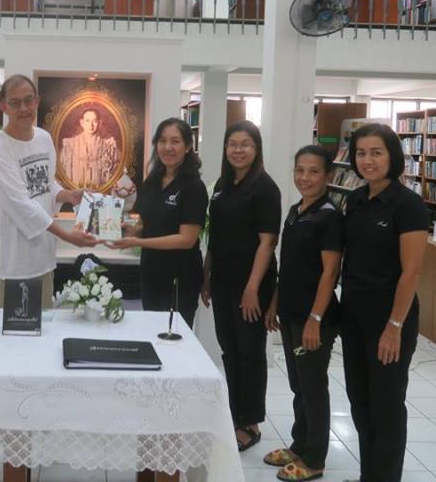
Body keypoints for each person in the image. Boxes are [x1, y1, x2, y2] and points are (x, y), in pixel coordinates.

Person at [340, 123, 429, 482]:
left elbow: (412, 272)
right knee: (360, 403)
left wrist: (394, 327)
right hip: (354, 316)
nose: (368, 160)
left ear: (392, 156)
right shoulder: (355, 200)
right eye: (361, 153)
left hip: (390, 319)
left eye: (376, 152)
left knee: (386, 407)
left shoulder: (408, 205)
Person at [0, 74, 96, 330]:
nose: (23, 108)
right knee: (3, 333)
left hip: (39, 252)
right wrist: (67, 236)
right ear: (4, 107)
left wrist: (67, 195)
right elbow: (19, 203)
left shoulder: (43, 138)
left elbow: (45, 184)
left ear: (37, 101)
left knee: (40, 328)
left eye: (28, 100)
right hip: (7, 252)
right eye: (15, 102)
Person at [262, 145, 343, 481]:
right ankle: (299, 444)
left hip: (315, 318)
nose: (305, 178)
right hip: (292, 311)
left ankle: (315, 458)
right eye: (300, 170)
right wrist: (275, 302)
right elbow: (289, 264)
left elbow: (330, 272)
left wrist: (315, 320)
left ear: (327, 176)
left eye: (313, 171)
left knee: (312, 386)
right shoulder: (296, 210)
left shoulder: (329, 216)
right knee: (298, 383)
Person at [200, 121, 281, 452]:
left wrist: (252, 289)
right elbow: (215, 235)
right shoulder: (223, 183)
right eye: (232, 144)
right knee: (229, 349)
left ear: (256, 148)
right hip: (222, 279)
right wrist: (207, 274)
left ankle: (251, 422)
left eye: (245, 144)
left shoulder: (265, 188)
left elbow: (267, 243)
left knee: (250, 352)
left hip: (252, 284)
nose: (238, 150)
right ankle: (235, 413)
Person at [109, 117, 208, 328]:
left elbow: (186, 240)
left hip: (180, 278)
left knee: (175, 336)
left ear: (188, 147)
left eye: (175, 141)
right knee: (152, 332)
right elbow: (142, 221)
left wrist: (138, 242)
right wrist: (129, 229)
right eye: (162, 141)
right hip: (151, 274)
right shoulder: (151, 182)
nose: (167, 147)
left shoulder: (193, 187)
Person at [59, 106, 120, 189]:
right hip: (74, 193)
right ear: (82, 122)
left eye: (95, 121)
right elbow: (61, 174)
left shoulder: (109, 146)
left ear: (100, 123)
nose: (91, 125)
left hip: (100, 194)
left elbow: (116, 174)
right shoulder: (69, 145)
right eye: (87, 120)